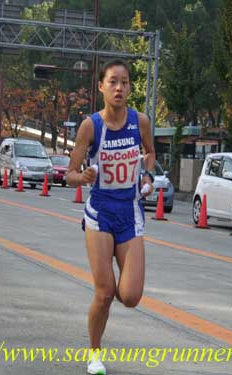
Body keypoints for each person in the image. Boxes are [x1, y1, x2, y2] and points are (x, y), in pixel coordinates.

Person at [67, 59, 155, 375]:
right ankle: (94, 354)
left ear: (130, 87)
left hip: (130, 213)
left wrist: (147, 176)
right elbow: (69, 175)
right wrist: (85, 175)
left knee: (129, 296)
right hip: (101, 212)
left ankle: (116, 283)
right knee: (105, 294)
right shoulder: (91, 126)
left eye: (125, 82)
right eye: (113, 82)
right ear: (102, 87)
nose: (119, 88)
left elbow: (150, 155)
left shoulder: (140, 121)